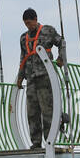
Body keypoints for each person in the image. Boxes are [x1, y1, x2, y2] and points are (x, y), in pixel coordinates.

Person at [16, 8, 66, 150]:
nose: (28, 26)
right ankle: (36, 142)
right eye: (26, 24)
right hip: (31, 79)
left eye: (30, 23)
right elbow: (23, 58)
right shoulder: (23, 38)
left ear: (36, 19)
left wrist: (61, 58)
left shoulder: (48, 31)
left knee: (47, 111)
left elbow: (61, 42)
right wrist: (20, 77)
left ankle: (50, 141)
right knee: (32, 111)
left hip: (45, 77)